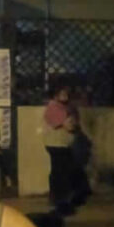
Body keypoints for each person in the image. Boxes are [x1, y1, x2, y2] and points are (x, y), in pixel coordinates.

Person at [43, 83, 84, 216]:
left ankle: (59, 199)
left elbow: (74, 123)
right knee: (59, 172)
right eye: (62, 93)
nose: (65, 95)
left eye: (66, 93)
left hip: (64, 144)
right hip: (56, 144)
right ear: (56, 94)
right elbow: (69, 125)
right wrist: (71, 122)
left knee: (62, 172)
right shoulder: (54, 107)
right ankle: (59, 200)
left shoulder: (67, 107)